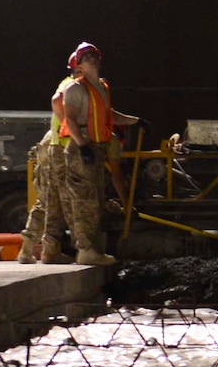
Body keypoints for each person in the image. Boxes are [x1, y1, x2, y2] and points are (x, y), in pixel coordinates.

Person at [20, 42, 139, 267]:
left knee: (53, 201)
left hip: (58, 145)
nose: (90, 62)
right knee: (70, 201)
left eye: (93, 56)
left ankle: (46, 249)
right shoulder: (73, 86)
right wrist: (76, 134)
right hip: (62, 147)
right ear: (77, 66)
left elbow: (106, 114)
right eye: (84, 59)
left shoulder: (95, 87)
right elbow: (58, 103)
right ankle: (78, 249)